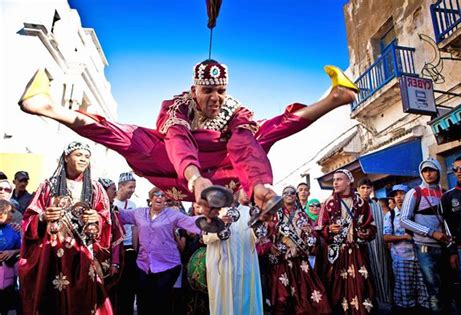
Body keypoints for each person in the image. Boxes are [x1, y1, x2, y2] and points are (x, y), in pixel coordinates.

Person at [18, 61, 359, 214]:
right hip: (177, 166)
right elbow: (178, 139)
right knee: (123, 134)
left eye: (221, 91)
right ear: (194, 89)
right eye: (208, 91)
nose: (215, 99)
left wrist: (257, 182)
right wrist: (194, 181)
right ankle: (48, 107)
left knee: (265, 130)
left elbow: (245, 143)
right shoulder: (176, 106)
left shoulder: (237, 110)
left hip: (228, 167)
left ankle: (334, 98)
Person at [19, 141, 112, 314]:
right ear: (66, 157)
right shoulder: (48, 186)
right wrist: (43, 217)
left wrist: (96, 218)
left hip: (83, 253)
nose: (83, 159)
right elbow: (28, 219)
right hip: (52, 253)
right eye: (79, 155)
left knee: (84, 301)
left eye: (87, 156)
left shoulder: (96, 188)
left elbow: (106, 220)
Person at [118, 187, 202, 315]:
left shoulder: (173, 215)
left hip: (167, 267)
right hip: (143, 265)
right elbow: (120, 214)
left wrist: (214, 219)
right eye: (156, 195)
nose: (159, 197)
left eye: (163, 195)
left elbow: (191, 221)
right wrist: (106, 204)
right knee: (143, 302)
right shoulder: (139, 213)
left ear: (166, 200)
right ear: (151, 198)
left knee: (160, 303)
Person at [257, 185, 331, 314]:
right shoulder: (274, 215)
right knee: (282, 299)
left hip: (300, 262)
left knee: (311, 296)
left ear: (295, 196)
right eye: (286, 192)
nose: (289, 194)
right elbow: (263, 235)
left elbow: (312, 239)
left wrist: (310, 234)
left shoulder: (302, 215)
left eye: (292, 192)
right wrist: (271, 246)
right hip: (282, 262)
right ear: (282, 196)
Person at [400, 158, 455, 314]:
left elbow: (448, 221)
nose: (428, 174)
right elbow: (404, 220)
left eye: (431, 170)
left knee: (448, 287)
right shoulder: (414, 192)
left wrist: (452, 249)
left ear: (438, 171)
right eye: (425, 171)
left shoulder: (444, 193)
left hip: (444, 247)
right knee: (433, 289)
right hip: (425, 248)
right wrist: (431, 232)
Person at [318, 169, 376, 315]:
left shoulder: (361, 203)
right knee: (338, 288)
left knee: (362, 285)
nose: (335, 183)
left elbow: (372, 227)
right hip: (337, 254)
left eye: (339, 179)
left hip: (358, 252)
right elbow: (319, 228)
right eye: (333, 180)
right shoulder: (328, 203)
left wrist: (366, 233)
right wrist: (329, 229)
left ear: (349, 181)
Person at [201, 192, 264, 315]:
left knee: (246, 299)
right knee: (222, 302)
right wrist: (218, 227)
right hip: (221, 268)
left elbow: (258, 237)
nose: (230, 192)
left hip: (245, 265)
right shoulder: (211, 211)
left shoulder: (249, 211)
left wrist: (259, 223)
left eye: (234, 189)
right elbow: (206, 238)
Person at [383, 184, 429, 314]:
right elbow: (386, 237)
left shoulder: (417, 213)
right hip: (402, 259)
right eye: (396, 194)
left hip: (421, 257)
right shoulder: (390, 215)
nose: (399, 197)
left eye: (402, 194)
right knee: (405, 296)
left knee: (424, 293)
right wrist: (405, 237)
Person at [441, 156, 461, 312]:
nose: (458, 172)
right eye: (455, 169)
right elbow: (447, 227)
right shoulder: (448, 197)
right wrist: (452, 252)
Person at [357, 178, 392, 307]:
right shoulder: (355, 206)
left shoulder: (377, 206)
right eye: (363, 188)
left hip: (379, 244)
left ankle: (385, 300)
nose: (366, 191)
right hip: (363, 246)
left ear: (372, 189)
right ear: (358, 190)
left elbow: (382, 225)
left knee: (383, 270)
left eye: (368, 188)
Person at [98, 177, 125, 314]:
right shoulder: (91, 209)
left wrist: (115, 263)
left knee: (108, 296)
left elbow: (116, 240)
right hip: (91, 258)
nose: (115, 193)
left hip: (107, 261)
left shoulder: (113, 211)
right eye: (113, 189)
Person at [113, 171, 138, 315]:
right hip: (115, 248)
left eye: (134, 187)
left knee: (128, 287)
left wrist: (136, 250)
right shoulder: (111, 202)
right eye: (130, 187)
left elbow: (135, 229)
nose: (133, 190)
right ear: (121, 187)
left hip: (128, 249)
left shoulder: (133, 205)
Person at [0, 200, 21, 315]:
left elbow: (22, 248)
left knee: (6, 305)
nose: (12, 216)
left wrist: (12, 252)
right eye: (9, 212)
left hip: (8, 277)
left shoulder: (13, 229)